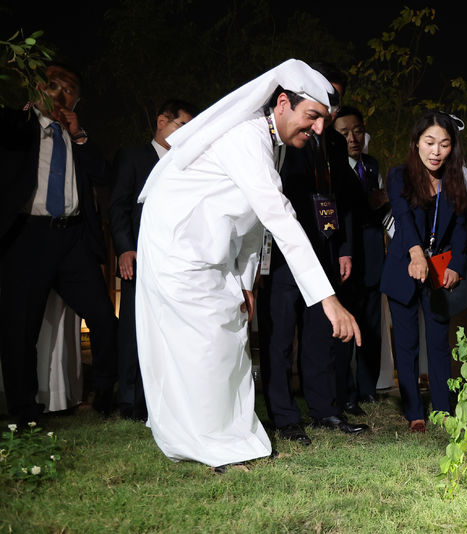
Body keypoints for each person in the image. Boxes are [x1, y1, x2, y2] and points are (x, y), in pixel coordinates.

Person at [134, 59, 361, 470]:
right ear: (281, 103)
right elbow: (279, 217)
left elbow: (254, 224)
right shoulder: (245, 137)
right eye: (312, 117)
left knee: (228, 342)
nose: (318, 130)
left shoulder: (269, 140)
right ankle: (213, 447)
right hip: (180, 248)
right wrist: (328, 300)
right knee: (205, 347)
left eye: (324, 121)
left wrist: (246, 282)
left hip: (213, 252)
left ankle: (225, 436)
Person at [257, 64, 368, 447]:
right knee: (280, 335)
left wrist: (345, 248)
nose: (328, 113)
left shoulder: (331, 143)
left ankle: (324, 410)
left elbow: (346, 201)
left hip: (325, 248)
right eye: (321, 104)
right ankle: (285, 416)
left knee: (321, 334)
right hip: (286, 251)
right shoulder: (279, 137)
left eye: (333, 103)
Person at [0, 63, 118, 425]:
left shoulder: (75, 136)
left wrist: (79, 134)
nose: (61, 95)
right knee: (21, 329)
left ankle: (105, 397)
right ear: (38, 89)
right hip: (27, 237)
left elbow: (104, 175)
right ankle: (24, 411)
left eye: (69, 90)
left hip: (73, 240)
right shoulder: (16, 126)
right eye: (54, 86)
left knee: (103, 318)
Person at [109, 99, 199, 421]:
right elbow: (118, 205)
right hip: (140, 261)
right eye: (182, 126)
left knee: (171, 334)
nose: (187, 134)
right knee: (135, 331)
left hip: (179, 265)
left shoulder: (190, 165)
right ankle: (130, 403)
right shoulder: (133, 158)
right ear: (162, 120)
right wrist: (125, 248)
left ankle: (165, 401)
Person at [380, 111, 467, 433]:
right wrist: (416, 253)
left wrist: (457, 264)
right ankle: (414, 411)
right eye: (429, 142)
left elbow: (460, 229)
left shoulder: (456, 180)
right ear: (416, 142)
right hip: (405, 268)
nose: (436, 152)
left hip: (438, 273)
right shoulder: (399, 175)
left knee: (438, 342)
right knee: (406, 344)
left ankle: (442, 408)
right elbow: (401, 218)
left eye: (444, 144)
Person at [333, 105, 389, 411]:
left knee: (372, 323)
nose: (353, 137)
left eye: (357, 130)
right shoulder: (332, 166)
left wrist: (380, 201)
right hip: (345, 251)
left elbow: (375, 207)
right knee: (347, 323)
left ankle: (369, 388)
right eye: (344, 133)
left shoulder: (371, 164)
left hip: (371, 249)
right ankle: (347, 391)